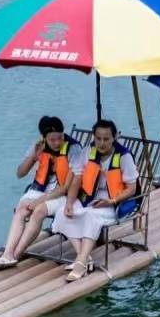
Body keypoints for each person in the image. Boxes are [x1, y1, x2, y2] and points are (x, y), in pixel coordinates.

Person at [48, 118, 138, 283]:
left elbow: (132, 189)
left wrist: (111, 201)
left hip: (114, 203)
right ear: (94, 137)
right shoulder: (88, 151)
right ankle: (86, 257)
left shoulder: (124, 156)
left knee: (90, 217)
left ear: (114, 138)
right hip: (89, 198)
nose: (102, 143)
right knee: (63, 213)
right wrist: (69, 203)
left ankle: (80, 263)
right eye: (98, 139)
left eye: (106, 139)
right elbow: (76, 179)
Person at [0, 116, 86, 267]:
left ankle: (15, 255)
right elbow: (20, 173)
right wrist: (33, 156)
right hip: (40, 189)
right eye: (52, 139)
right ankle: (8, 253)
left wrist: (39, 201)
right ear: (44, 137)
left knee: (38, 211)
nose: (56, 143)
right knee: (21, 210)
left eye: (59, 138)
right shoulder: (39, 146)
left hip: (63, 194)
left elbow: (66, 188)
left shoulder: (73, 149)